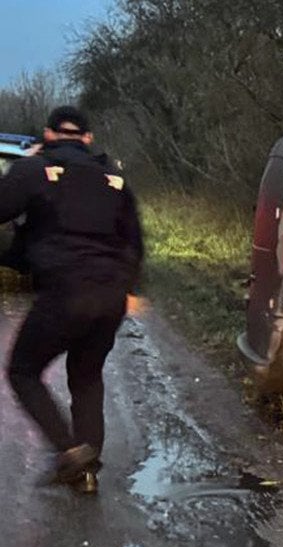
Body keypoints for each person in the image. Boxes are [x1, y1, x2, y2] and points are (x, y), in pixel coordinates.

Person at [0, 106, 143, 494]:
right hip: (110, 295)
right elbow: (135, 242)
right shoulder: (114, 178)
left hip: (65, 291)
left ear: (47, 135)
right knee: (86, 376)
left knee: (23, 371)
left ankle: (70, 451)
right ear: (87, 138)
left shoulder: (33, 170)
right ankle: (87, 470)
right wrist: (128, 288)